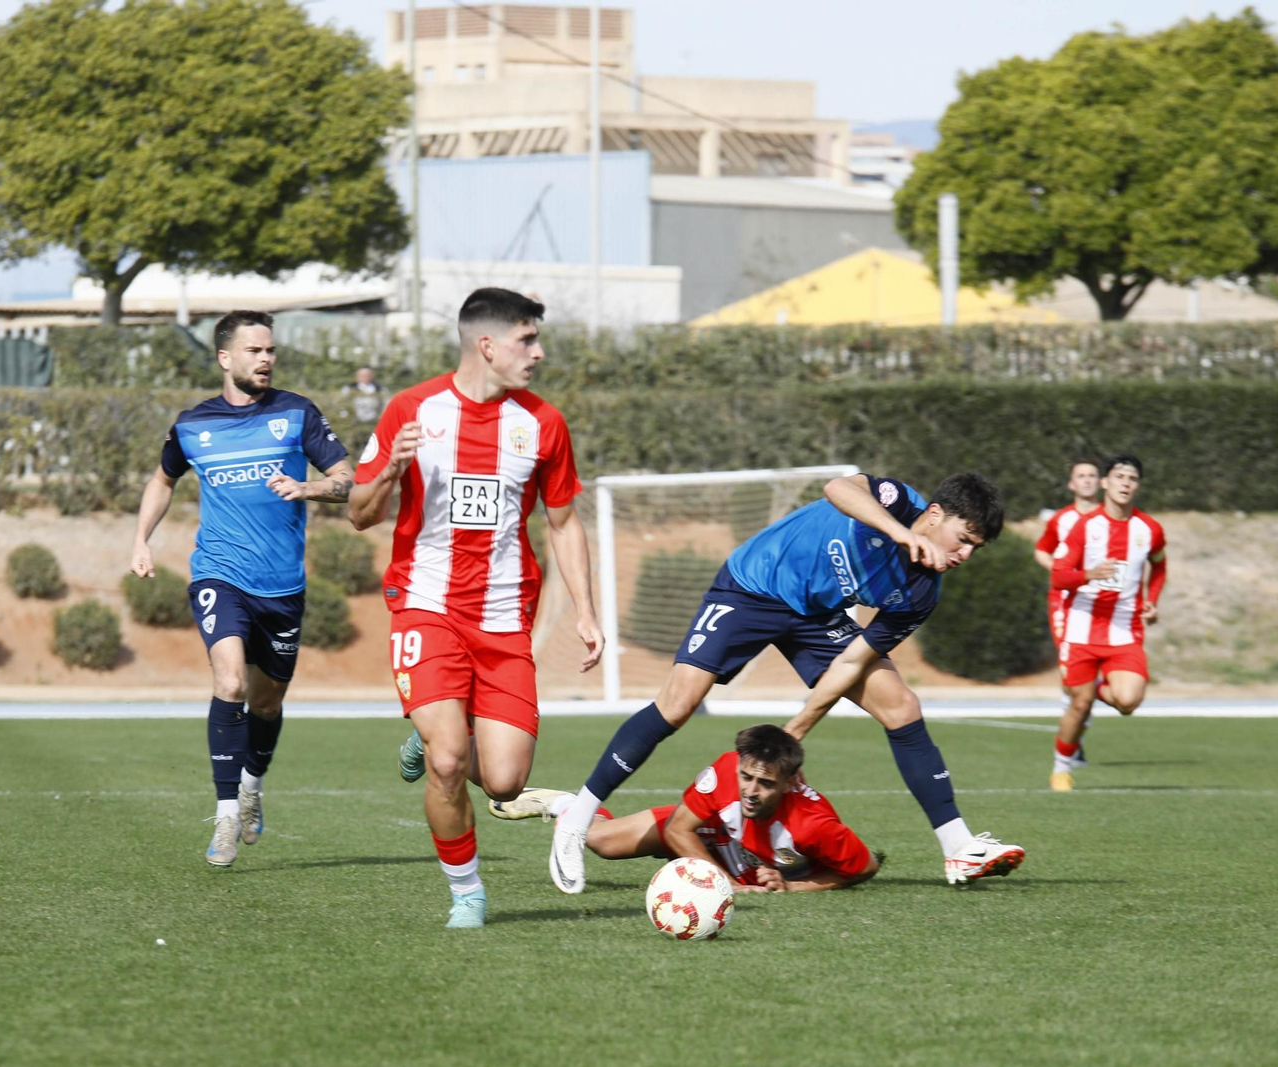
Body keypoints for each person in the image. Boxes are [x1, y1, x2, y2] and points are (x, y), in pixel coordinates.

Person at [549, 471, 1025, 895]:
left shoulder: (922, 591)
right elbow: (838, 487)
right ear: (935, 514)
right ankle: (577, 818)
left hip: (816, 617)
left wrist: (797, 727)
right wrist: (899, 533)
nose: (964, 554)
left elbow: (850, 663)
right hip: (752, 588)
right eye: (963, 539)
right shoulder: (897, 500)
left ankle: (958, 845)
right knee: (677, 705)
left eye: (974, 549)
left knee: (900, 705)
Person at [348, 287, 603, 928]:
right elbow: (359, 513)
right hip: (425, 607)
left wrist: (586, 611)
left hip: (504, 620)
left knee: (507, 781)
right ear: (487, 345)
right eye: (527, 340)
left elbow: (565, 523)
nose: (539, 353)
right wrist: (386, 472)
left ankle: (437, 726)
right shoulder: (411, 410)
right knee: (448, 763)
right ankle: (467, 891)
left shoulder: (543, 423)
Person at [128, 310, 353, 868]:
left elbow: (350, 482)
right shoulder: (191, 426)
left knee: (266, 701)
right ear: (225, 358)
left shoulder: (297, 413)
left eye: (270, 349)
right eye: (254, 350)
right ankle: (227, 814)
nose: (266, 359)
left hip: (283, 586)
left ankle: (252, 784)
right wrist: (140, 539)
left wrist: (310, 487)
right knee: (229, 681)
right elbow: (162, 480)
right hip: (219, 573)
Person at [497, 725, 881, 893]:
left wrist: (794, 886)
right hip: (709, 833)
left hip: (742, 857)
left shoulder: (813, 825)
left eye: (765, 784)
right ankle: (569, 804)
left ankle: (570, 806)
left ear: (791, 781)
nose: (750, 791)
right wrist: (724, 886)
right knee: (600, 842)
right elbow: (680, 829)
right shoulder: (724, 772)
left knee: (605, 844)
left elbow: (865, 867)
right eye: (746, 776)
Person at [1047, 454, 1167, 792]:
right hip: (1082, 626)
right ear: (1105, 483)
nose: (1126, 483)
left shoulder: (1150, 530)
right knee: (1079, 704)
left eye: (1132, 478)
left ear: (1137, 486)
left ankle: (1092, 686)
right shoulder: (1085, 526)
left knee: (1128, 701)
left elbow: (1159, 567)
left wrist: (1152, 602)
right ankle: (1060, 768)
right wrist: (1088, 574)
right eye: (1119, 476)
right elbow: (1059, 577)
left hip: (1124, 630)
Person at [1034, 457, 1102, 763]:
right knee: (1072, 670)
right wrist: (1061, 571)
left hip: (1102, 602)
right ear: (1071, 484)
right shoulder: (1061, 519)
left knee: (1095, 677)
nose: (1087, 480)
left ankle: (1073, 736)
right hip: (1065, 601)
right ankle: (1072, 743)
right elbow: (1041, 550)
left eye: (1092, 475)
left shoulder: (1111, 521)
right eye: (1081, 476)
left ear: (1101, 482)